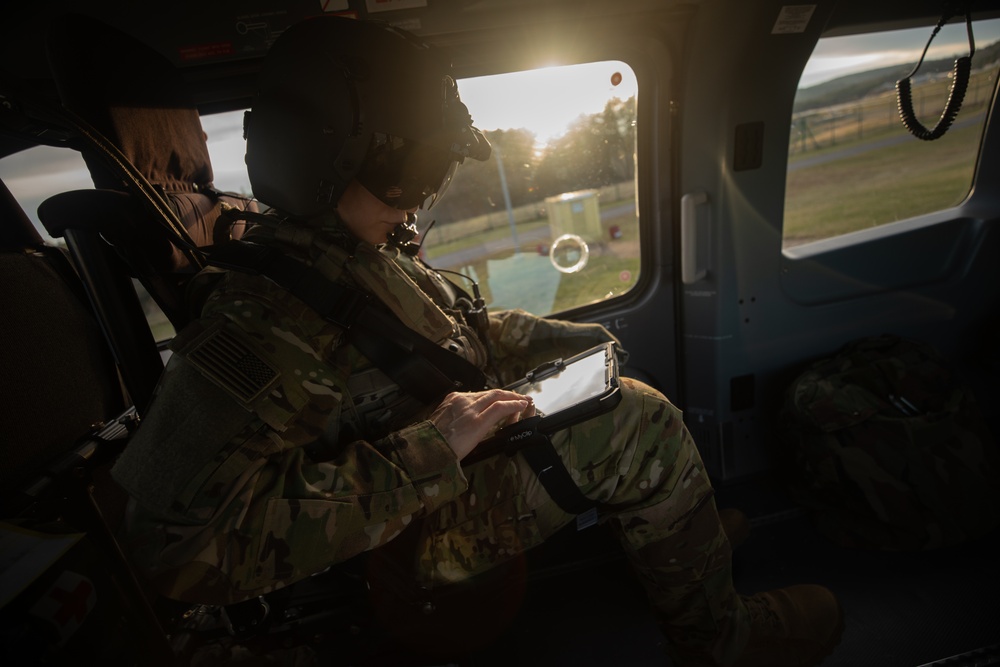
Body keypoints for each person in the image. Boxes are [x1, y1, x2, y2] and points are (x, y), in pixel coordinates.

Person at [110, 16, 843, 666]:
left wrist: (556, 338)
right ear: (327, 156)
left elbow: (449, 327)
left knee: (604, 359)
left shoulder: (345, 250)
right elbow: (170, 545)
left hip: (430, 475)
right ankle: (721, 639)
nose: (424, 194)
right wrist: (435, 445)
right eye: (414, 168)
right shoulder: (261, 320)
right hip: (400, 544)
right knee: (641, 424)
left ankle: (676, 536)